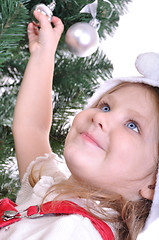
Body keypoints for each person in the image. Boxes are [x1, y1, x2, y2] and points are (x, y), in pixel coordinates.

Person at [1, 10, 159, 240]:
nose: (100, 117)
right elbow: (31, 129)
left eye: (132, 125)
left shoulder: (80, 233)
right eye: (105, 106)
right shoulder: (48, 190)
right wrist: (44, 53)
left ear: (154, 184)